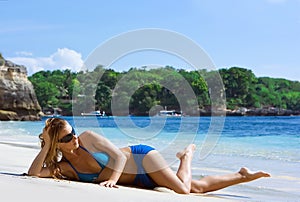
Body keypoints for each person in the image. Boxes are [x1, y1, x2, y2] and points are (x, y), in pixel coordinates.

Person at [28, 118, 270, 194]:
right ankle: (242, 175)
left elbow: (119, 158)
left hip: (142, 159)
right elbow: (34, 174)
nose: (75, 139)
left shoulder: (89, 138)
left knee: (183, 192)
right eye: (68, 138)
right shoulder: (66, 168)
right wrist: (45, 145)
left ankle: (186, 156)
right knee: (194, 188)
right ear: (57, 145)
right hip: (139, 181)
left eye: (74, 133)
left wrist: (113, 179)